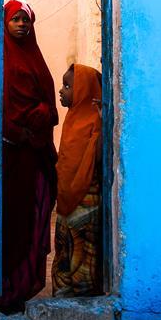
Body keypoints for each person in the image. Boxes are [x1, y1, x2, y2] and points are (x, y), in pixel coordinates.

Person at [0, 0, 58, 314]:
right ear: (5, 22)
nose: (21, 25)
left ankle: (17, 289)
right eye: (16, 19)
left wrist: (42, 113)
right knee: (4, 220)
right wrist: (16, 130)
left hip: (32, 155)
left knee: (30, 219)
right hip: (5, 154)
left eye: (26, 21)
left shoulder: (35, 59)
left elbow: (49, 100)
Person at [52, 64, 103, 297]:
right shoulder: (73, 120)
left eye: (68, 86)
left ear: (84, 90)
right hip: (66, 203)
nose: (61, 91)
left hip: (85, 203)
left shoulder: (95, 123)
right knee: (65, 253)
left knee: (83, 258)